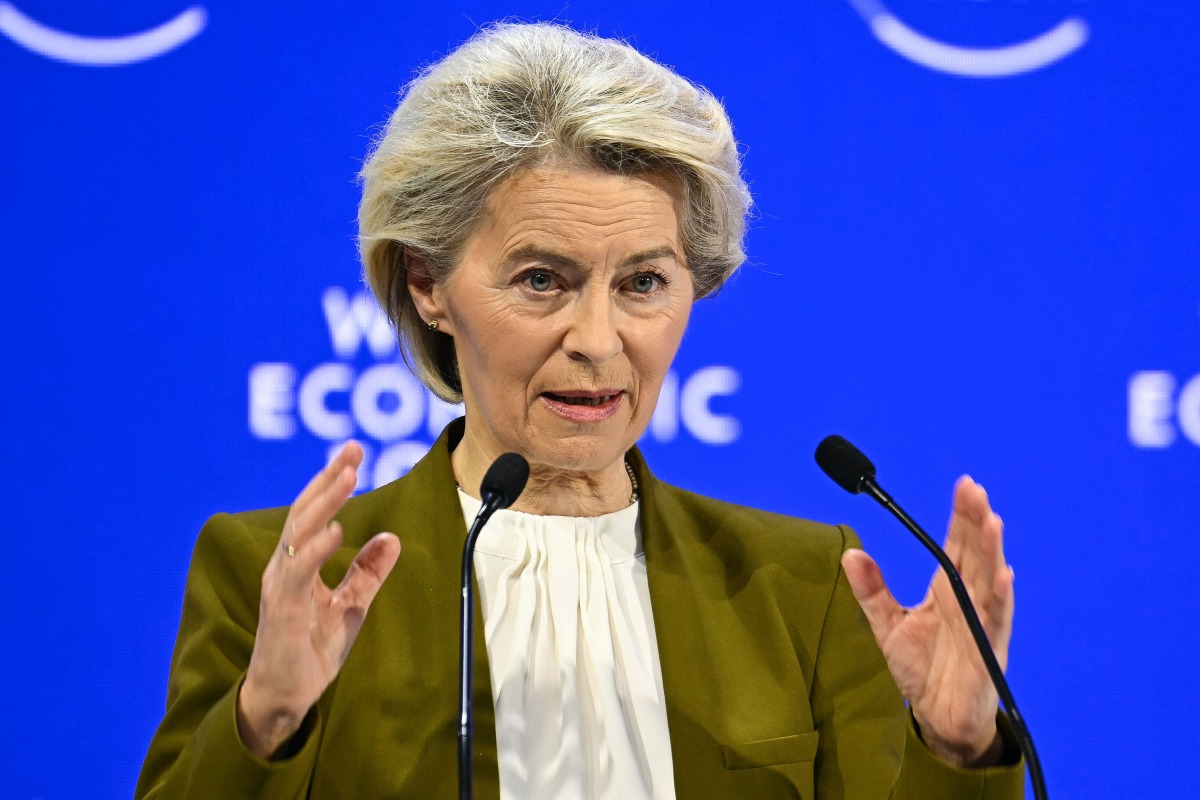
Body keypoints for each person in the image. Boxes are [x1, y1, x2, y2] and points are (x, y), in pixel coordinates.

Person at [137, 22, 1024, 799]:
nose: (598, 339)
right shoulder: (274, 577)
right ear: (427, 283)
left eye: (643, 282)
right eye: (540, 280)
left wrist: (957, 752)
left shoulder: (805, 587)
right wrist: (264, 724)